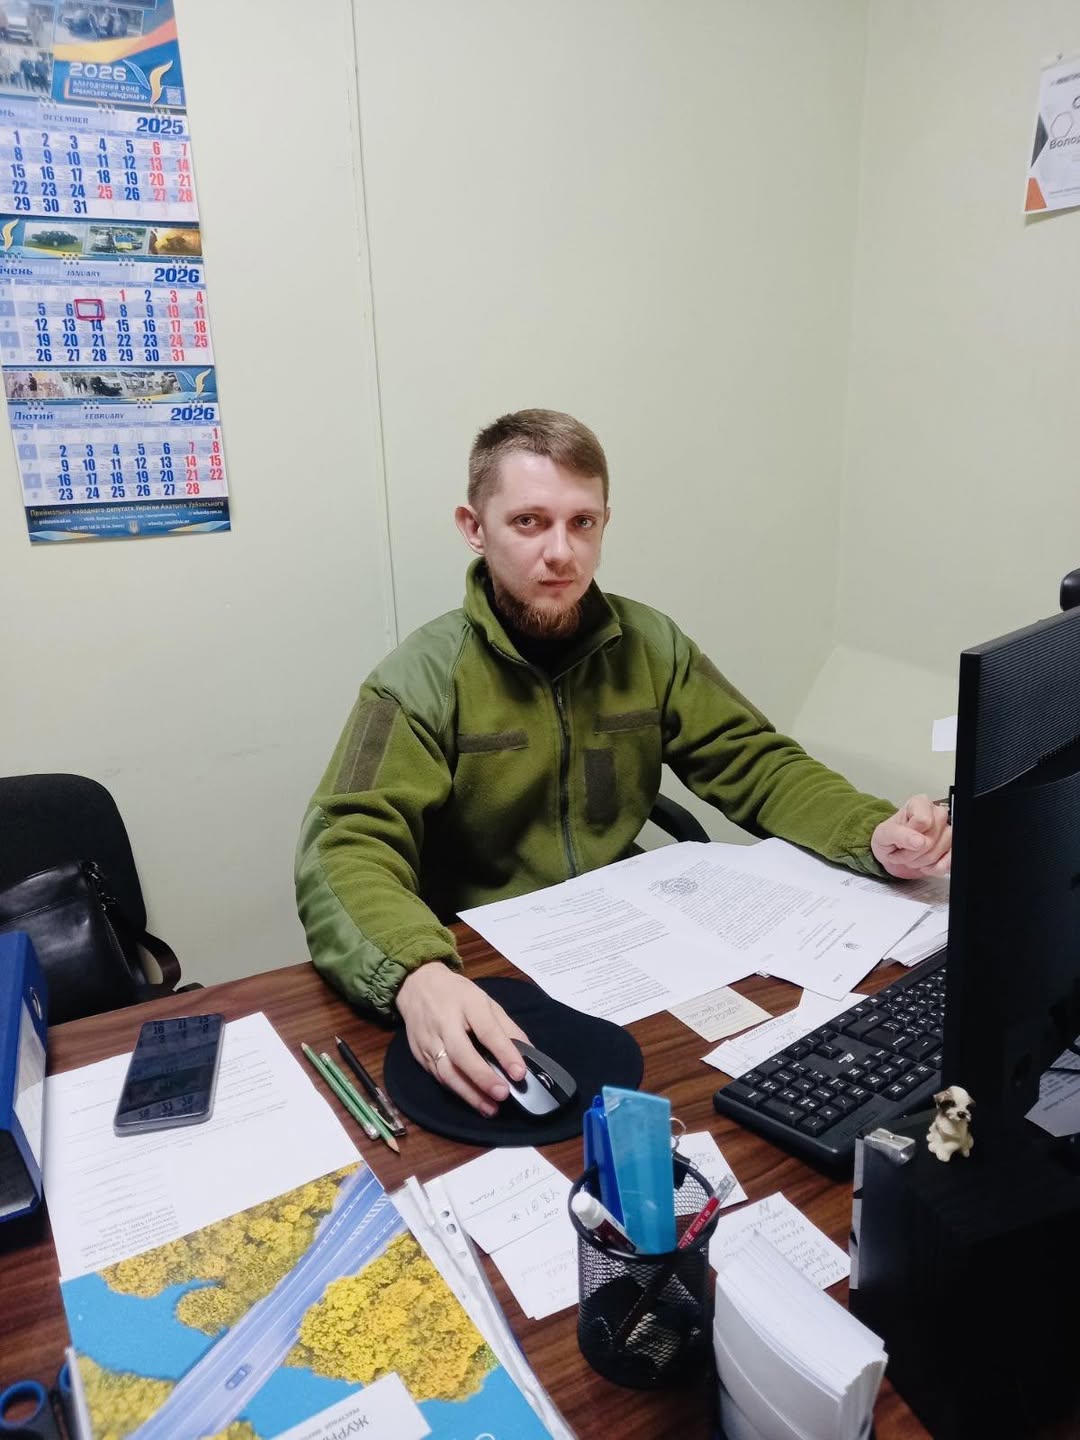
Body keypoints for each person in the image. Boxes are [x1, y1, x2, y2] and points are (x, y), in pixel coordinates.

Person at [296, 409, 951, 1116]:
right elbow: (345, 845)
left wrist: (870, 830)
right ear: (474, 528)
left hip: (634, 942)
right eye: (529, 522)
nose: (561, 552)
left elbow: (755, 761)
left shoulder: (650, 644)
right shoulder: (419, 679)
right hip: (487, 961)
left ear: (605, 522)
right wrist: (414, 971)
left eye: (582, 523)